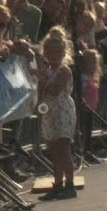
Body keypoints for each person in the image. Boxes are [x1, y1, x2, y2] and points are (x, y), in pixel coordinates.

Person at [35, 27, 78, 200]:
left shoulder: (64, 70)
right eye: (50, 51)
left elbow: (54, 90)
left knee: (63, 148)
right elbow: (42, 91)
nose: (53, 54)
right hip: (50, 111)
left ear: (63, 52)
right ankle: (57, 184)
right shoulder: (47, 71)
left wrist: (41, 78)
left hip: (62, 110)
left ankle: (70, 184)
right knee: (53, 149)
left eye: (57, 51)